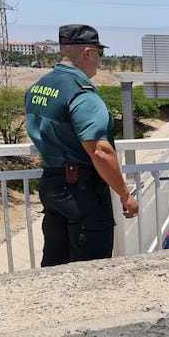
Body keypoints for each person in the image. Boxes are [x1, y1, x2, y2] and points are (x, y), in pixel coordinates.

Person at [25, 24, 138, 267]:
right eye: (99, 53)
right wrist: (125, 194)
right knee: (91, 269)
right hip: (81, 193)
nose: (100, 61)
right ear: (88, 53)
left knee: (55, 264)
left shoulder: (40, 86)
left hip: (51, 185)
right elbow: (100, 152)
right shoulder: (82, 94)